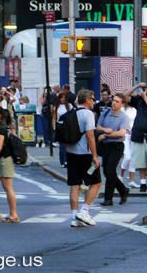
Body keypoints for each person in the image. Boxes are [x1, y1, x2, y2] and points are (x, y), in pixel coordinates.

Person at [66, 89, 101, 228]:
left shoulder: (70, 113)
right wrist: (95, 155)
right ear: (86, 100)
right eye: (92, 98)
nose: (94, 101)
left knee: (74, 185)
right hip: (84, 154)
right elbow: (90, 136)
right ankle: (84, 210)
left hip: (71, 152)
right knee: (96, 182)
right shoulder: (88, 114)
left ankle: (74, 217)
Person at [95, 93, 130, 206]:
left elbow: (121, 133)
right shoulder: (105, 113)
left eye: (117, 102)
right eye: (113, 101)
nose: (114, 103)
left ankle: (108, 198)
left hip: (117, 146)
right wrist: (106, 130)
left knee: (110, 170)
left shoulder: (124, 117)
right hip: (106, 146)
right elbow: (98, 127)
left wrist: (106, 135)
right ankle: (123, 190)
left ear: (122, 104)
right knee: (106, 171)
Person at [55, 91, 71, 168]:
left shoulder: (69, 106)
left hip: (68, 126)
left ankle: (67, 161)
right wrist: (54, 128)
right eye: (61, 97)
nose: (63, 99)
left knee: (68, 145)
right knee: (62, 145)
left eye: (64, 98)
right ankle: (62, 161)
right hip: (60, 126)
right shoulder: (56, 107)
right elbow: (54, 118)